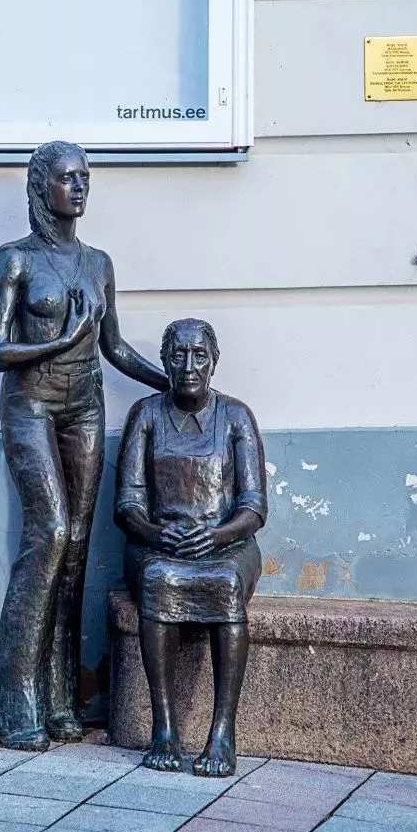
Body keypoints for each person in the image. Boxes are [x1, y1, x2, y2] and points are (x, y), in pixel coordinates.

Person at [0, 140, 168, 751]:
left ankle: (61, 701)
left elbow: (113, 346)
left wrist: (171, 384)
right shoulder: (14, 260)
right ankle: (12, 706)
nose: (80, 186)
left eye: (85, 176)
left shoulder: (98, 263)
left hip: (85, 406)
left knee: (78, 546)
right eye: (68, 177)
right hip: (30, 405)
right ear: (42, 187)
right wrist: (63, 339)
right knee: (50, 534)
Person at [115, 318, 267, 776]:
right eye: (178, 355)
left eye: (199, 355)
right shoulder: (146, 415)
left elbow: (254, 507)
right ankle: (164, 730)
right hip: (156, 544)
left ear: (213, 362)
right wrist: (156, 533)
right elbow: (127, 505)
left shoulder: (236, 417)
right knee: (158, 580)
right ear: (164, 362)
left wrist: (217, 536)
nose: (188, 366)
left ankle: (222, 733)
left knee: (225, 582)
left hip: (227, 543)